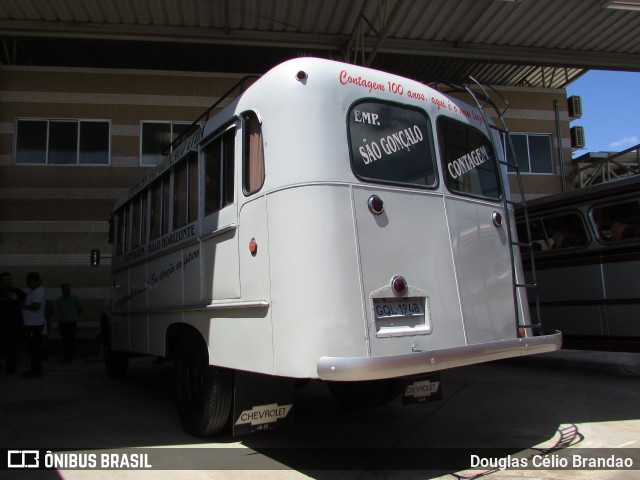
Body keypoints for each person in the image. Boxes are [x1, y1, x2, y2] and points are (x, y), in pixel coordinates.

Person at [0, 272, 26, 374]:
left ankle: (10, 368)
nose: (9, 281)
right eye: (6, 279)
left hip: (14, 325)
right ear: (1, 281)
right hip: (1, 324)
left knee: (12, 347)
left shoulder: (16, 291)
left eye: (10, 279)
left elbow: (25, 299)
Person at [22, 272, 46, 378]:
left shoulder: (38, 291)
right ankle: (34, 369)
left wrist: (23, 306)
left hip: (34, 325)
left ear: (32, 281)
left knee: (34, 349)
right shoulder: (35, 291)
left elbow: (36, 306)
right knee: (33, 349)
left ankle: (35, 371)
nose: (27, 283)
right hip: (32, 324)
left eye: (28, 281)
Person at [55, 283, 81, 363]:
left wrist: (73, 315)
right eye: (66, 289)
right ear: (62, 290)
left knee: (70, 340)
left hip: (71, 322)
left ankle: (70, 358)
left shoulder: (75, 298)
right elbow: (60, 309)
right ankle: (66, 357)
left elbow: (79, 309)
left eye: (69, 289)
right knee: (64, 340)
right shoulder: (58, 300)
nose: (67, 290)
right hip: (62, 323)